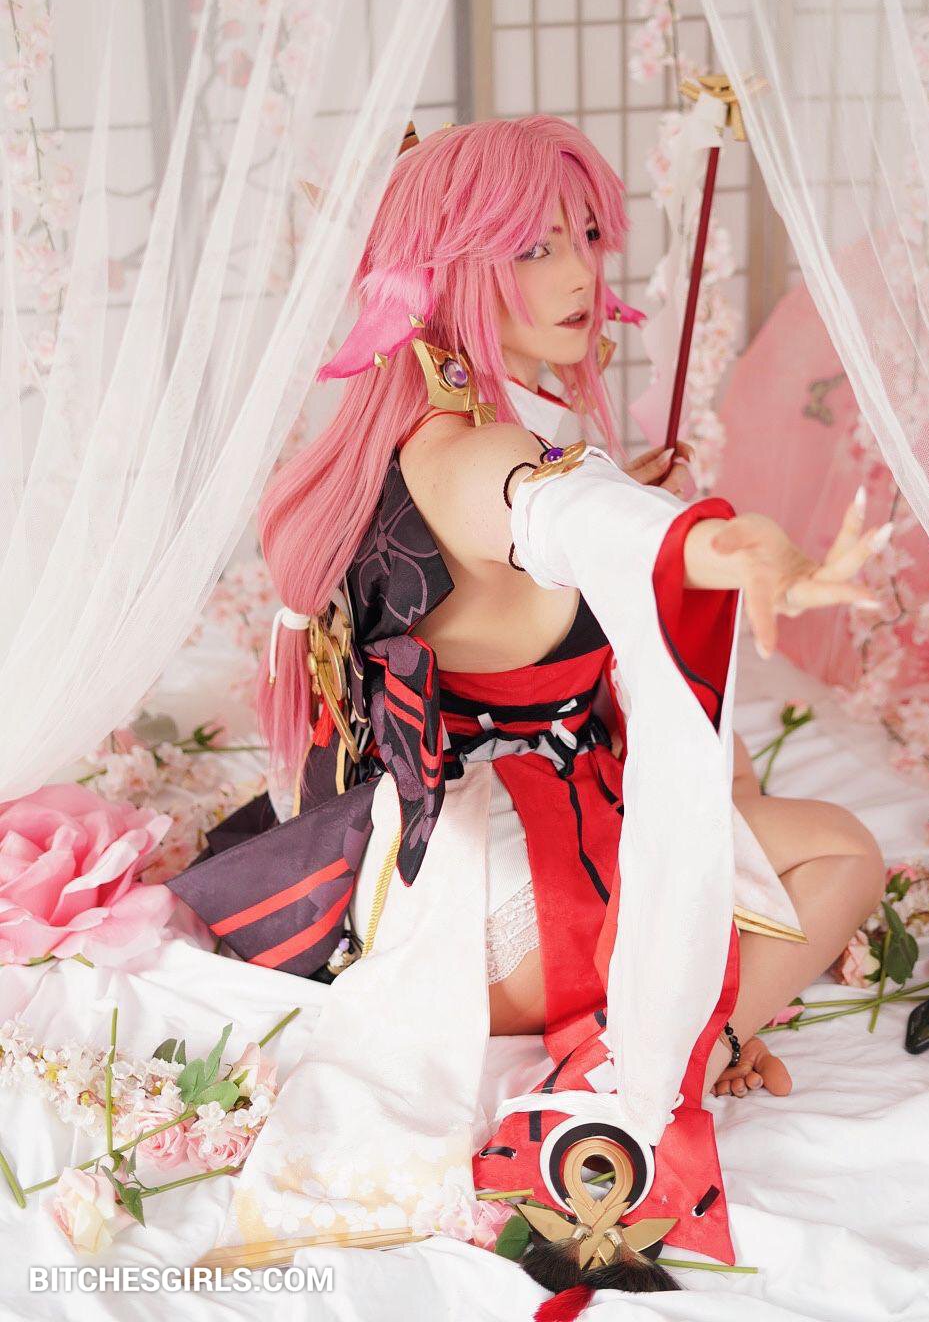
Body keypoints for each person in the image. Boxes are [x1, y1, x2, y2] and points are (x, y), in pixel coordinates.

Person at [169, 115, 887, 1293]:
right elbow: (553, 511)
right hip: (498, 903)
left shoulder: (439, 426)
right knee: (846, 851)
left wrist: (642, 515)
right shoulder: (470, 451)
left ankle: (683, 1023)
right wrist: (700, 547)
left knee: (747, 799)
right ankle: (685, 1042)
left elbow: (559, 510)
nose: (579, 272)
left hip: (431, 853)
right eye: (532, 247)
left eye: (587, 236)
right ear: (448, 271)